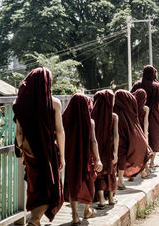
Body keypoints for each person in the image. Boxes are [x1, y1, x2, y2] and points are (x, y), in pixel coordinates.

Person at [13, 67, 65, 226]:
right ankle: (35, 220)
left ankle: (34, 219)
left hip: (30, 151)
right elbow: (60, 131)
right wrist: (62, 156)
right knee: (51, 188)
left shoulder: (21, 104)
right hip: (47, 151)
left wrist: (23, 150)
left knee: (35, 186)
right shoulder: (54, 103)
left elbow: (19, 133)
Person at [63, 94, 103, 225]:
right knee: (89, 181)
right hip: (86, 157)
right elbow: (94, 141)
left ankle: (75, 216)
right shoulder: (90, 122)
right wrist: (98, 159)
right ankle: (86, 210)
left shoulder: (65, 119)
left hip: (70, 157)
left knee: (72, 182)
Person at [114, 90, 153, 190]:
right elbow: (141, 124)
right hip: (131, 137)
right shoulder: (131, 110)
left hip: (116, 139)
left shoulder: (114, 110)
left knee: (120, 157)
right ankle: (125, 178)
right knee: (130, 154)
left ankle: (120, 181)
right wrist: (143, 136)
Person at [130, 65, 159, 169]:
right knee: (154, 137)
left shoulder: (137, 84)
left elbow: (131, 97)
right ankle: (152, 162)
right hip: (153, 115)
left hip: (139, 114)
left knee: (140, 136)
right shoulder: (157, 86)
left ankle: (140, 162)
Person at [91, 90, 119, 209]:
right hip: (110, 149)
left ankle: (101, 200)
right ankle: (111, 199)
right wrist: (116, 153)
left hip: (97, 149)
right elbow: (116, 135)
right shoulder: (113, 116)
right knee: (111, 173)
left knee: (99, 174)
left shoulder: (92, 115)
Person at [132, 89, 151, 178]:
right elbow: (146, 122)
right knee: (144, 152)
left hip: (133, 132)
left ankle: (132, 174)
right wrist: (145, 134)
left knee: (133, 152)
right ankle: (143, 172)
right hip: (142, 131)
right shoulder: (145, 108)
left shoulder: (132, 107)